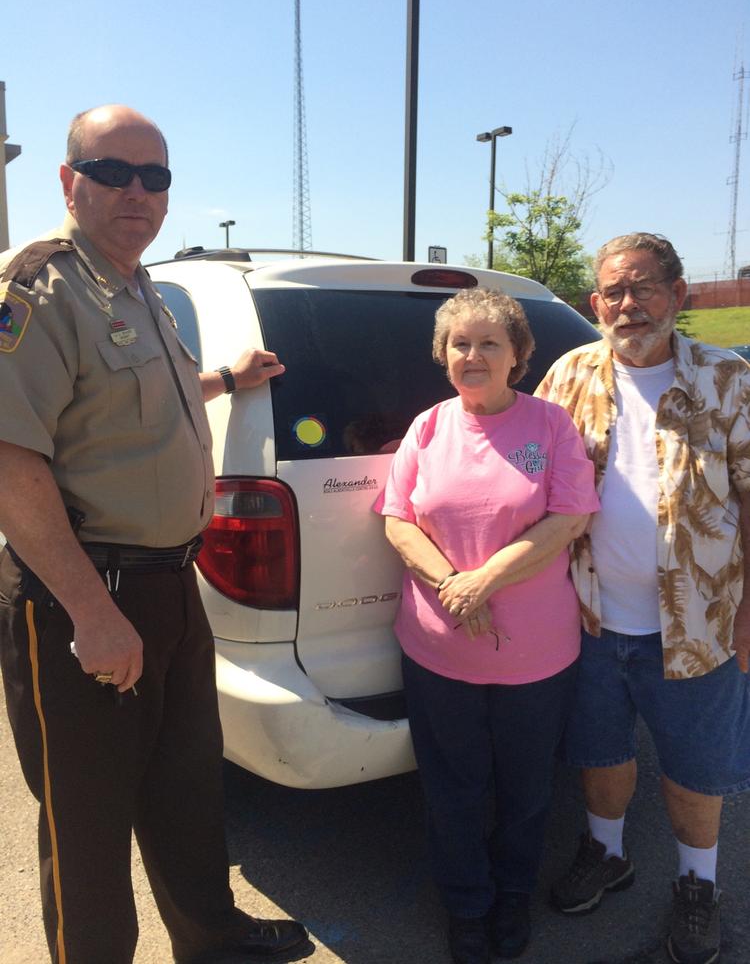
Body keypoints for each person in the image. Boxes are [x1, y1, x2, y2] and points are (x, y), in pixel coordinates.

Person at [0, 105, 309, 964]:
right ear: (69, 181)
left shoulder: (137, 285)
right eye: (114, 171)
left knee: (184, 790)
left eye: (156, 176)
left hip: (174, 585)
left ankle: (212, 940)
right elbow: (10, 460)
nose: (138, 191)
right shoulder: (37, 286)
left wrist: (224, 379)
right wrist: (92, 612)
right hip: (83, 596)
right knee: (88, 823)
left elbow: (126, 408)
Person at [537, 232, 750, 964]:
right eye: (613, 292)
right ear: (595, 304)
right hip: (590, 618)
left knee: (695, 767)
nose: (628, 304)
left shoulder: (728, 378)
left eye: (644, 287)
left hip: (700, 623)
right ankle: (608, 853)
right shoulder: (568, 376)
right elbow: (520, 471)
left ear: (678, 295)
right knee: (600, 752)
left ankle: (698, 885)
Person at [375, 288, 599, 964]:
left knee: (528, 792)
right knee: (453, 790)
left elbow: (569, 518)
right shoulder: (428, 428)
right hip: (438, 652)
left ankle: (511, 897)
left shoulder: (551, 427)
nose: (472, 356)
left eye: (488, 344)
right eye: (459, 345)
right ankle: (467, 906)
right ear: (444, 355)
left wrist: (481, 581)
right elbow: (397, 518)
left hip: (537, 656)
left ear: (518, 356)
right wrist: (450, 586)